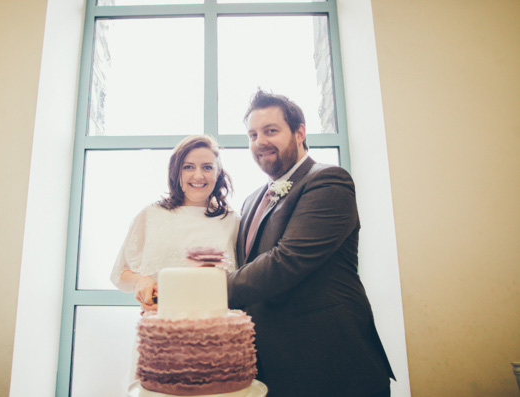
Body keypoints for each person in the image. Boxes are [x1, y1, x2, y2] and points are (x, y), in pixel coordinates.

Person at [226, 90, 395, 396]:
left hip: (332, 364)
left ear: (300, 132)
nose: (259, 141)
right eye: (252, 134)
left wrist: (204, 289)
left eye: (270, 131)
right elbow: (247, 273)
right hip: (268, 368)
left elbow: (286, 261)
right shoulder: (251, 201)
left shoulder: (329, 181)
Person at [110, 135, 239, 311]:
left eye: (207, 167)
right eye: (188, 167)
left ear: (218, 174)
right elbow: (119, 274)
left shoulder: (233, 222)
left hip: (217, 331)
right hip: (159, 329)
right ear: (176, 172)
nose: (198, 175)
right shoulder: (150, 216)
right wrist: (141, 280)